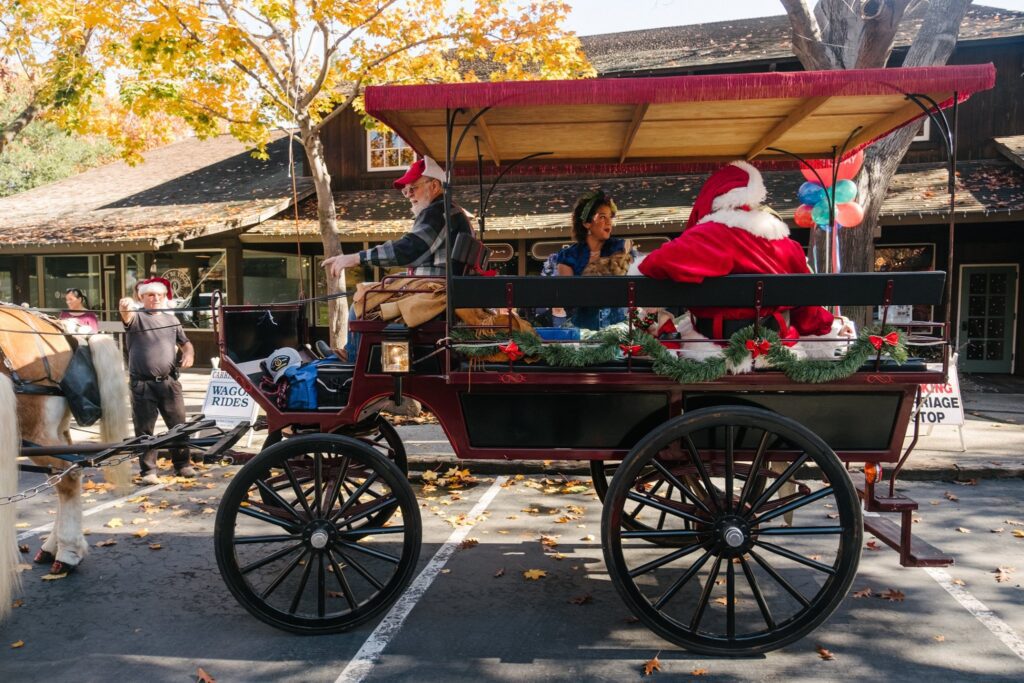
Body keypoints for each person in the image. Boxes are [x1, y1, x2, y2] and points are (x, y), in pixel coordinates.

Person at [633, 160, 854, 366]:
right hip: (779, 350)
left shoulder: (706, 237)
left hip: (713, 351)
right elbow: (807, 305)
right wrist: (824, 332)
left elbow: (647, 268)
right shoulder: (785, 242)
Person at [322, 156, 474, 358]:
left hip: (435, 292)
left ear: (435, 185)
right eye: (406, 191)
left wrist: (357, 257)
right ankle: (356, 355)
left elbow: (409, 249)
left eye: (414, 188)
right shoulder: (452, 211)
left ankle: (354, 359)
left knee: (362, 301)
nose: (409, 195)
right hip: (441, 288)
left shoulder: (437, 211)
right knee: (372, 290)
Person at [119, 277, 195, 483]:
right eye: (150, 295)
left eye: (159, 295)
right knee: (144, 430)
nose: (155, 299)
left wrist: (189, 354)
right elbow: (126, 315)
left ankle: (182, 465)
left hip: (169, 382)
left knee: (179, 425)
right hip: (142, 384)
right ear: (142, 297)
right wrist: (124, 305)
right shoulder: (137, 317)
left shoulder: (172, 320)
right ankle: (149, 471)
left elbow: (186, 343)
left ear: (164, 297)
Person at [553, 189, 630, 329]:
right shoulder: (568, 256)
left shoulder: (620, 247)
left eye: (610, 217)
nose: (609, 222)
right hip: (582, 329)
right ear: (587, 223)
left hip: (617, 328)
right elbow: (568, 298)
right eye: (602, 217)